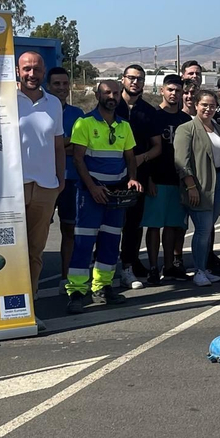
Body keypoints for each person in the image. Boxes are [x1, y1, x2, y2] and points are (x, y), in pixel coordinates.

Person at [65, 79, 142, 313]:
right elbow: (77, 159)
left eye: (116, 93)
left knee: (110, 242)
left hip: (115, 195)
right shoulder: (84, 123)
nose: (112, 96)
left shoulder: (124, 126)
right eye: (107, 92)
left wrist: (132, 177)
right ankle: (77, 291)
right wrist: (92, 188)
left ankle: (103, 286)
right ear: (98, 95)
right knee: (83, 242)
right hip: (91, 194)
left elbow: (130, 156)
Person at [16, 49, 65, 298]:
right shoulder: (6, 99)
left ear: (43, 72)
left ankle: (31, 301)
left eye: (36, 69)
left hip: (46, 187)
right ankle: (12, 303)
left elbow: (58, 146)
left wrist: (60, 180)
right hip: (15, 187)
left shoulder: (53, 104)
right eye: (27, 68)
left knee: (36, 250)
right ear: (18, 71)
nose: (31, 74)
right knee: (13, 248)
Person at [176, 90, 220, 287]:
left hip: (218, 183)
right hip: (199, 185)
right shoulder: (186, 129)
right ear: (196, 105)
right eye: (204, 105)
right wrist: (191, 186)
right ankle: (198, 270)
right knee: (202, 229)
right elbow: (181, 162)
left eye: (212, 105)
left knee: (208, 230)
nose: (208, 109)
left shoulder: (218, 128)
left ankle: (204, 268)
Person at [141, 73, 192, 281]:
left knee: (173, 225)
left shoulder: (185, 119)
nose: (174, 94)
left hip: (177, 180)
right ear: (162, 90)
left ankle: (169, 266)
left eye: (178, 91)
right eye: (170, 89)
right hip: (157, 179)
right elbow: (147, 148)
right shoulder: (153, 115)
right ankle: (153, 267)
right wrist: (149, 179)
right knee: (154, 225)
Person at [116, 64, 161, 288]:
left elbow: (157, 147)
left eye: (140, 79)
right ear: (123, 79)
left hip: (139, 176)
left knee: (133, 224)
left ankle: (128, 267)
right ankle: (102, 267)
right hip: (111, 175)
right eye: (131, 78)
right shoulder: (112, 106)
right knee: (109, 223)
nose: (135, 82)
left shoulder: (149, 112)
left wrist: (140, 160)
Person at [46, 65, 80, 285]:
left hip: (72, 179)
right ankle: (31, 282)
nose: (61, 88)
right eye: (56, 84)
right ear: (48, 86)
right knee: (37, 232)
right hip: (45, 179)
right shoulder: (39, 111)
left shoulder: (78, 114)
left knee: (69, 230)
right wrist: (63, 145)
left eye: (64, 84)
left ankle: (67, 279)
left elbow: (80, 146)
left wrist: (56, 145)